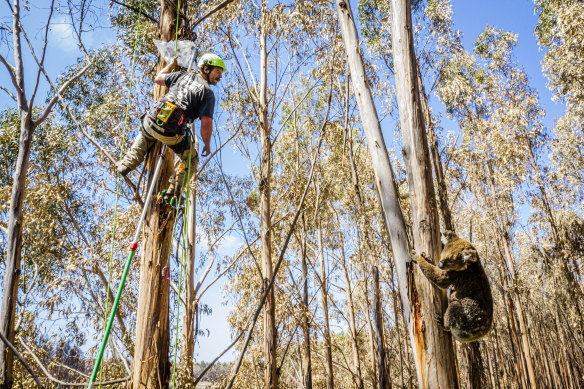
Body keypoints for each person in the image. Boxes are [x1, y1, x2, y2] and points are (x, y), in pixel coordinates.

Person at [116, 53, 225, 199]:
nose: (220, 76)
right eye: (218, 71)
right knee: (192, 159)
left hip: (151, 119)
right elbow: (206, 123)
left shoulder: (182, 75)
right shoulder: (207, 92)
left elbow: (158, 78)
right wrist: (206, 144)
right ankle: (173, 189)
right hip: (170, 132)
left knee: (146, 134)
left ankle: (126, 164)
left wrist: (171, 64)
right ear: (206, 69)